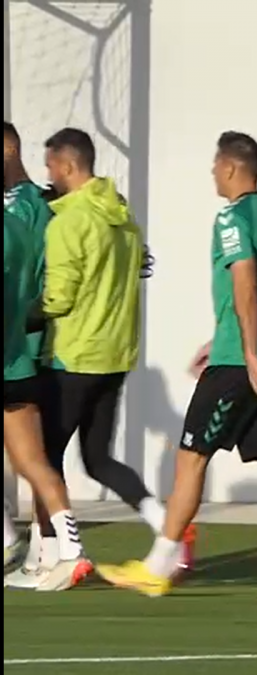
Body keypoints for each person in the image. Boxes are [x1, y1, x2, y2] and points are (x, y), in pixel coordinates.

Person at [96, 131, 257, 601]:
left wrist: (244, 351)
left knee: (191, 456)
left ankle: (158, 566)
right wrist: (225, 337)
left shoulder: (232, 217)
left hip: (241, 362)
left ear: (231, 168)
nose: (212, 175)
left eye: (215, 166)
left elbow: (246, 282)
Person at [27, 128, 189, 582]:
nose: (48, 174)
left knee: (44, 460)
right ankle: (169, 532)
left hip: (75, 356)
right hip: (115, 356)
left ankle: (58, 554)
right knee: (98, 458)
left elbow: (58, 299)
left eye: (51, 166)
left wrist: (17, 321)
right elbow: (140, 266)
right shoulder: (122, 216)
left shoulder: (69, 223)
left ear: (67, 166)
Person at [3, 208, 92, 590]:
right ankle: (71, 548)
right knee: (33, 463)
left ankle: (11, 541)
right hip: (20, 361)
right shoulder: (21, 230)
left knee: (31, 463)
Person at [3, 121, 56, 589]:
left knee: (35, 454)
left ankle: (47, 548)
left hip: (26, 345)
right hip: (22, 342)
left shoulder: (30, 206)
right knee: (30, 454)